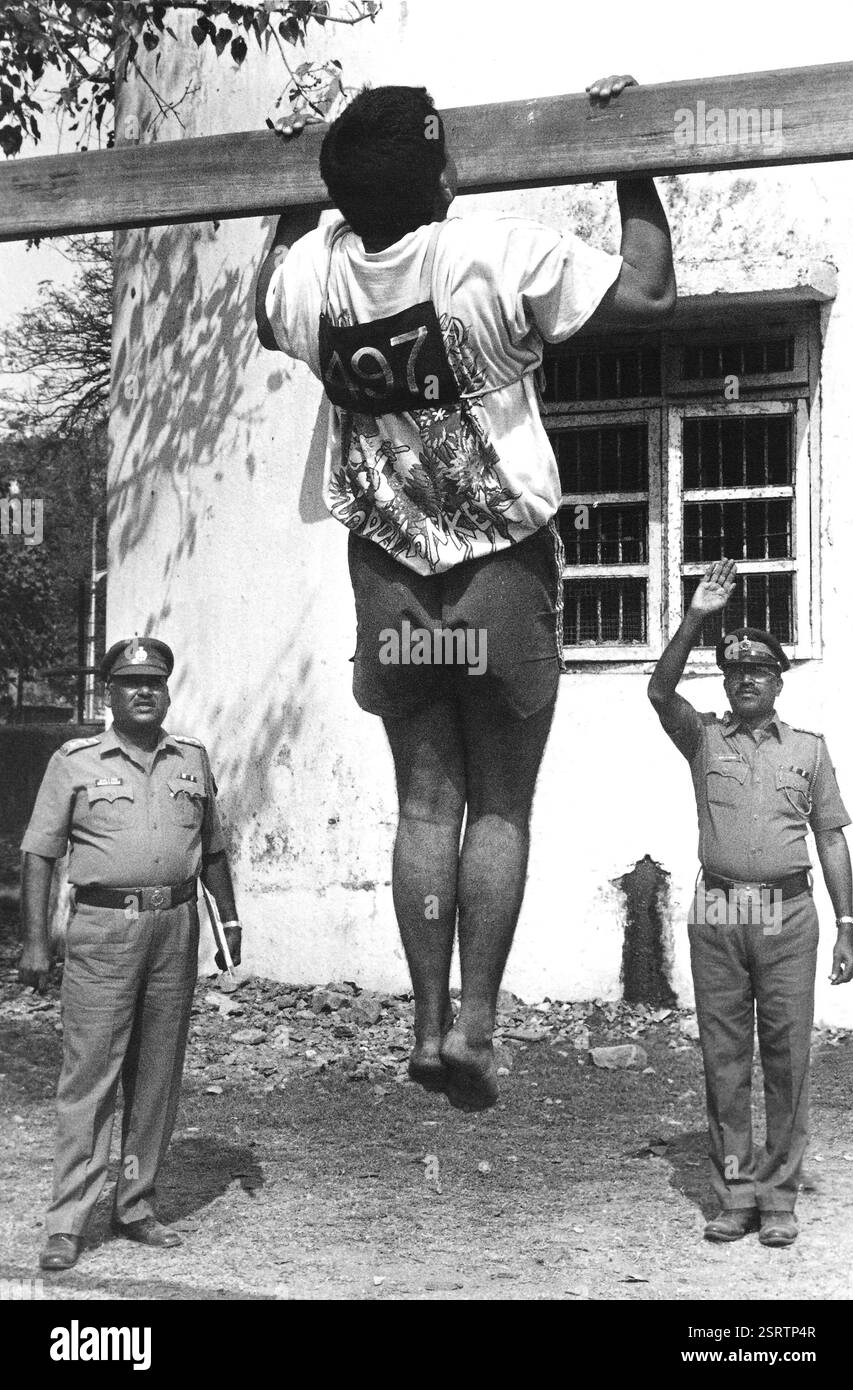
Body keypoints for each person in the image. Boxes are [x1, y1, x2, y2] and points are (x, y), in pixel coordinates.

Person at [256, 77, 675, 1109]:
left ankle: (426, 1022)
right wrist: (628, 153)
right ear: (439, 171)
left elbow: (264, 298)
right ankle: (479, 1025)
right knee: (498, 802)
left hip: (395, 580)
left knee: (424, 802)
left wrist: (289, 188)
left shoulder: (311, 276)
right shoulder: (492, 252)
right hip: (497, 576)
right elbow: (648, 292)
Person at [648, 559, 853, 1247]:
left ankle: (779, 1198)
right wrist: (696, 615)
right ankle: (736, 1194)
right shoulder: (702, 739)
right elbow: (658, 689)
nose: (745, 681)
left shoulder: (809, 751)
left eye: (758, 672)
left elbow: (830, 840)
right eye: (734, 672)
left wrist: (847, 926)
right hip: (721, 912)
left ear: (777, 680)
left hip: (788, 914)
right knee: (724, 1058)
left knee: (788, 1056)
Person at [18, 636, 243, 1271]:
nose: (143, 691)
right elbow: (40, 854)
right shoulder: (75, 761)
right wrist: (36, 942)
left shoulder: (191, 759)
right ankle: (67, 1221)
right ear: (109, 693)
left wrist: (227, 920)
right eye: (128, 682)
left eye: (154, 682)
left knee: (157, 1074)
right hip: (102, 930)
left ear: (166, 691)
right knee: (91, 1075)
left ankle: (136, 1204)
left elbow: (214, 847)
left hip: (175, 926)